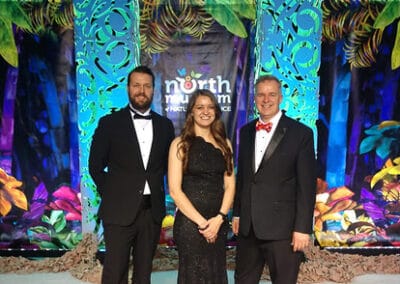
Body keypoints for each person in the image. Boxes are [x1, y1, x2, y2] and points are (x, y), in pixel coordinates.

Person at [88, 65, 175, 284]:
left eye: (147, 86)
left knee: (144, 273)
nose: (141, 90)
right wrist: (113, 193)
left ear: (153, 90)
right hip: (118, 211)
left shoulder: (165, 126)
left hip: (151, 212)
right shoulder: (109, 124)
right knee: (114, 272)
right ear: (128, 88)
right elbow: (95, 166)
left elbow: (167, 165)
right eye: (136, 85)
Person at [232, 75, 317, 284]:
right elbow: (243, 177)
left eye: (271, 94)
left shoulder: (301, 133)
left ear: (280, 97)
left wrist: (303, 228)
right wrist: (237, 213)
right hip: (248, 227)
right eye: (261, 94)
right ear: (254, 98)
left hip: (283, 231)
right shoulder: (246, 131)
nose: (266, 99)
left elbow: (307, 186)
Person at [168, 89, 235, 283]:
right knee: (194, 276)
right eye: (200, 107)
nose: (205, 111)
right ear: (191, 111)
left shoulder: (225, 144)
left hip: (218, 223)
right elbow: (174, 190)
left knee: (215, 273)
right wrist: (204, 224)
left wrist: (219, 219)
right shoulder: (180, 144)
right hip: (191, 225)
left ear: (216, 111)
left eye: (210, 107)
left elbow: (230, 186)